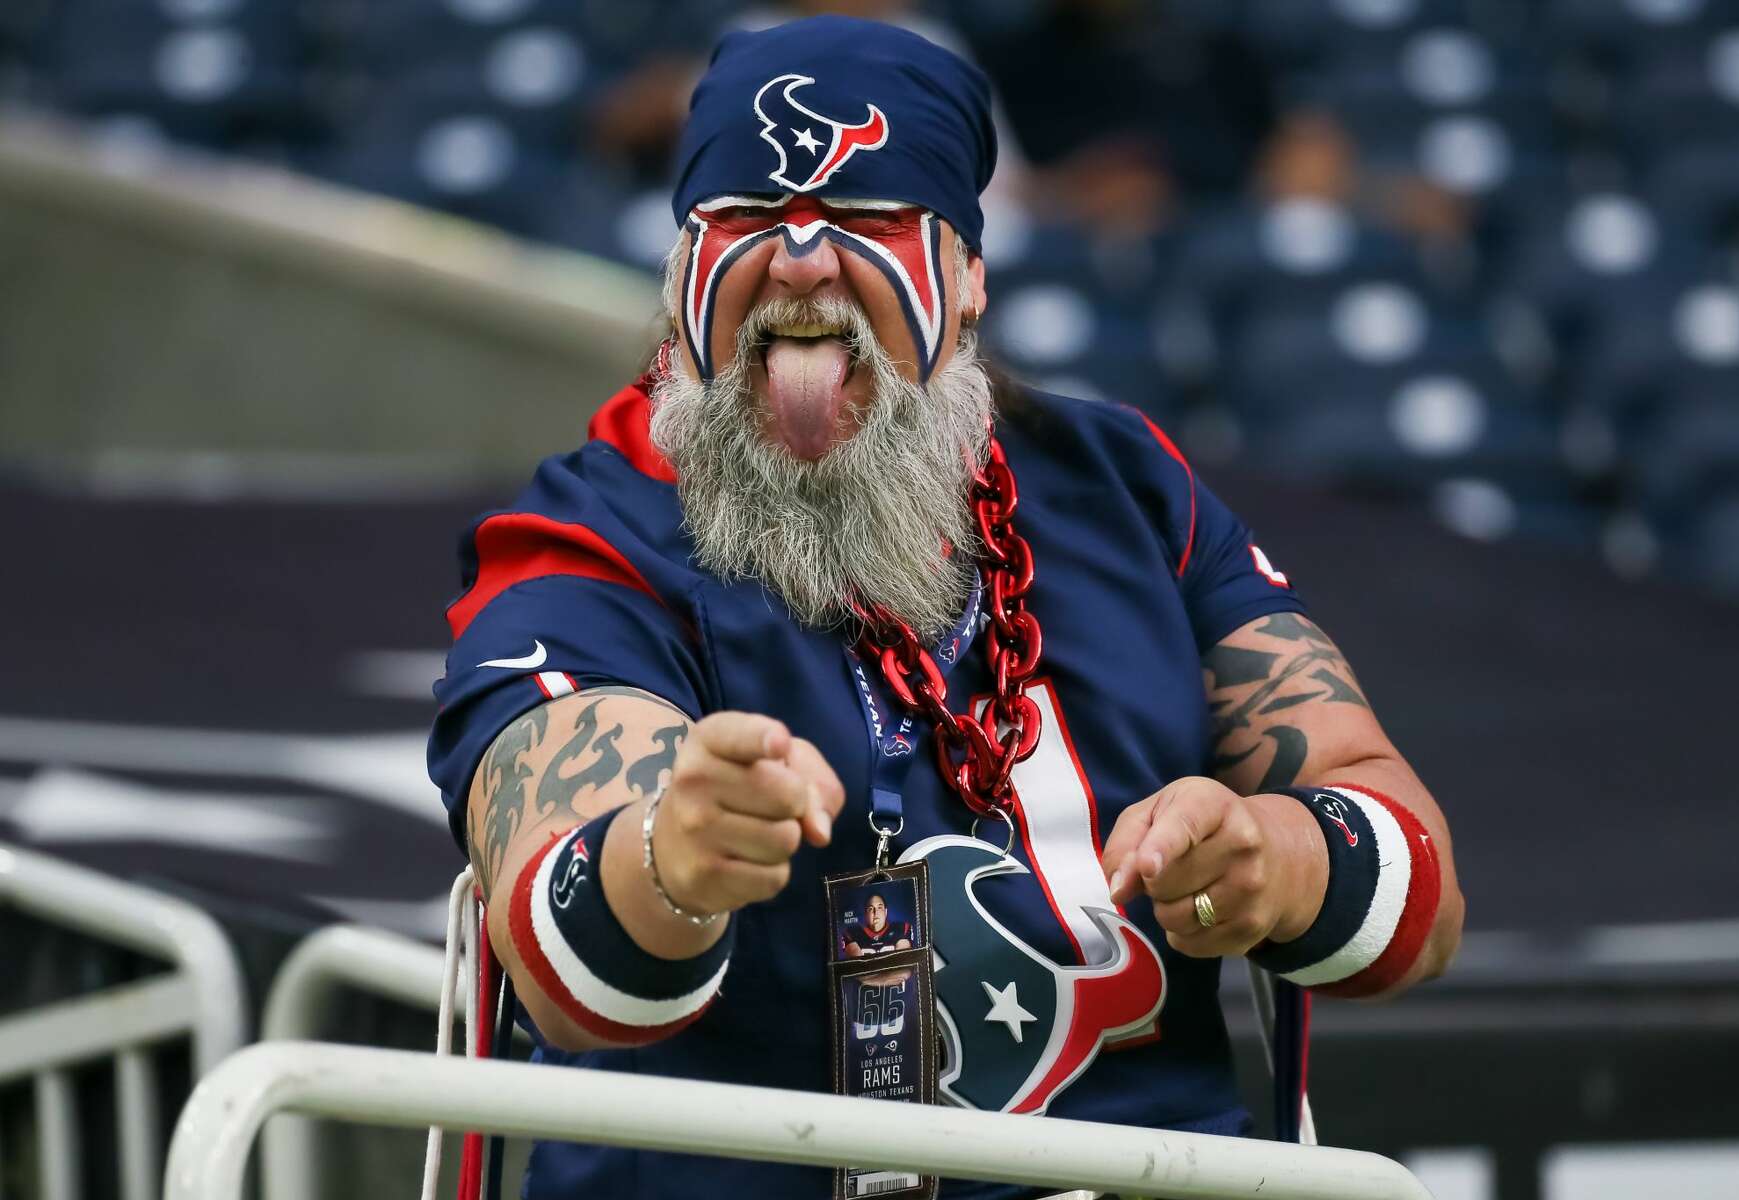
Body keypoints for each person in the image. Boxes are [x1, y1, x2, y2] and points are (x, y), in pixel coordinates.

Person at [427, 16, 1464, 1199]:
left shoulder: (1128, 490)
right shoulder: (585, 538)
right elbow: (560, 946)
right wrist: (672, 859)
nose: (804, 262)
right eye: (749, 220)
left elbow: (1415, 887)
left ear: (965, 281)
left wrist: (1276, 858)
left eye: (867, 220)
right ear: (681, 283)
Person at [842, 892, 914, 957]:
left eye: (879, 907)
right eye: (870, 909)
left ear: (885, 912)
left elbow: (903, 965)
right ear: (866, 914)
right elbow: (857, 967)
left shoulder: (901, 928)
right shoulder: (852, 933)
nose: (875, 912)